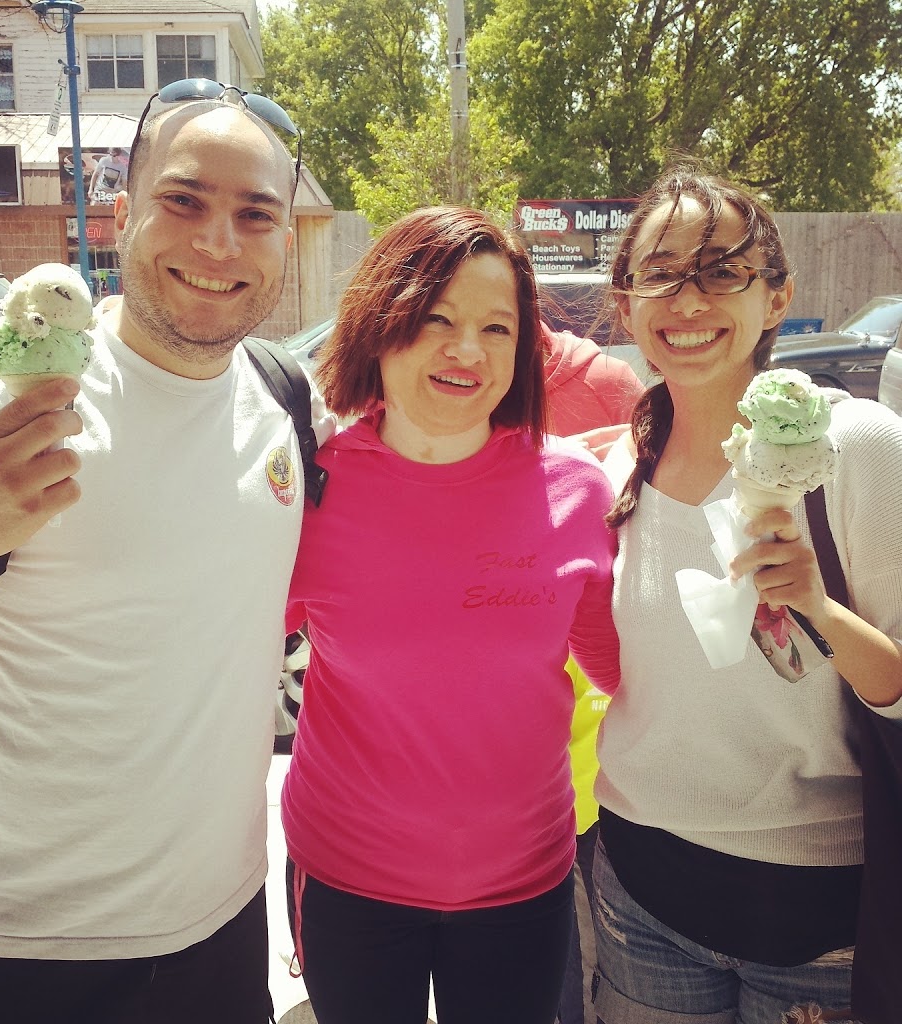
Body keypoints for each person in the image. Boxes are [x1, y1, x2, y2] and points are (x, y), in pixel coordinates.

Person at [0, 85, 332, 1024]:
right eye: (184, 201)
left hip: (220, 927)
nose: (219, 243)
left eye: (256, 216)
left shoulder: (285, 403)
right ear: (121, 215)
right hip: (13, 942)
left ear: (286, 241)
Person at [281, 205, 621, 1024]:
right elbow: (218, 654)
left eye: (497, 328)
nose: (467, 351)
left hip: (526, 884)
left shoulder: (577, 492)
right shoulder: (306, 491)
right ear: (380, 323)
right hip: (347, 882)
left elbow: (624, 673)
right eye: (436, 319)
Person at [592, 168, 902, 1024]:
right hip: (639, 898)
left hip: (819, 922)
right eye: (661, 272)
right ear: (626, 306)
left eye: (722, 269)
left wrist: (821, 610)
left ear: (776, 298)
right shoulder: (614, 471)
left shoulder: (856, 448)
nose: (689, 299)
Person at [540, 323, 642, 1024]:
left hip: (594, 768)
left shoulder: (605, 387)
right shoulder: (393, 402)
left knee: (590, 980)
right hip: (483, 787)